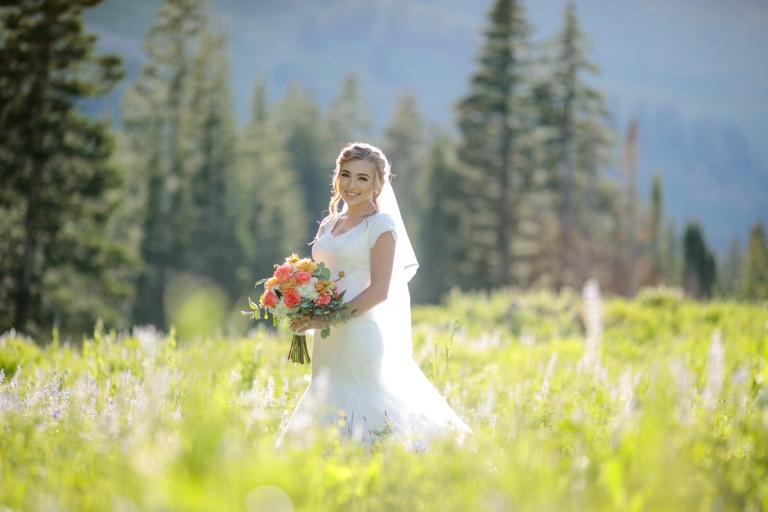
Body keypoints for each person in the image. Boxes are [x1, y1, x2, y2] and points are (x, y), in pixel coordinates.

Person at [279, 142, 471, 449]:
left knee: (359, 403)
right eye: (346, 175)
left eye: (362, 178)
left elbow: (379, 290)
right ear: (337, 177)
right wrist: (298, 302)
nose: (351, 185)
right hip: (328, 338)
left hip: (358, 333)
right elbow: (324, 278)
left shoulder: (380, 226)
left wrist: (326, 317)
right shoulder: (330, 223)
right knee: (325, 396)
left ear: (378, 184)